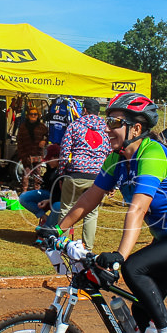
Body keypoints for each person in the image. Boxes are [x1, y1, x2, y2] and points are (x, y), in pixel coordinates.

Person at [48, 92, 167, 333]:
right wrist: (55, 229)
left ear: (135, 128)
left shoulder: (152, 154)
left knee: (134, 268)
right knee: (141, 309)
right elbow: (89, 198)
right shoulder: (116, 160)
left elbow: (137, 210)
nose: (107, 128)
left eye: (114, 122)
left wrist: (119, 257)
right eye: (108, 121)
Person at [57, 98, 111, 249]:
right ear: (98, 112)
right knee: (91, 213)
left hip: (75, 173)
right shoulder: (106, 129)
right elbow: (110, 153)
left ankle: (61, 243)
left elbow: (64, 151)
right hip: (97, 177)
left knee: (66, 209)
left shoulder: (75, 126)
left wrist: (61, 173)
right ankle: (87, 247)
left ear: (85, 110)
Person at [19, 144, 62, 227]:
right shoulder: (50, 168)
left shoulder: (63, 170)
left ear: (55, 158)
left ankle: (47, 228)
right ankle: (45, 218)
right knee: (24, 197)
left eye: (49, 159)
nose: (47, 162)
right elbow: (48, 182)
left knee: (58, 206)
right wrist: (41, 180)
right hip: (48, 193)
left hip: (59, 198)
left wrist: (49, 200)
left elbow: (63, 194)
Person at [15, 107, 47, 192]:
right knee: (26, 175)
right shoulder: (23, 127)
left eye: (35, 114)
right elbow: (19, 141)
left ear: (38, 115)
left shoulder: (42, 127)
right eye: (31, 114)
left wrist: (44, 141)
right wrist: (22, 155)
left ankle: (37, 192)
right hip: (26, 154)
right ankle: (24, 193)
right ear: (28, 115)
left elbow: (48, 136)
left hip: (38, 154)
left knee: (38, 175)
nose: (33, 116)